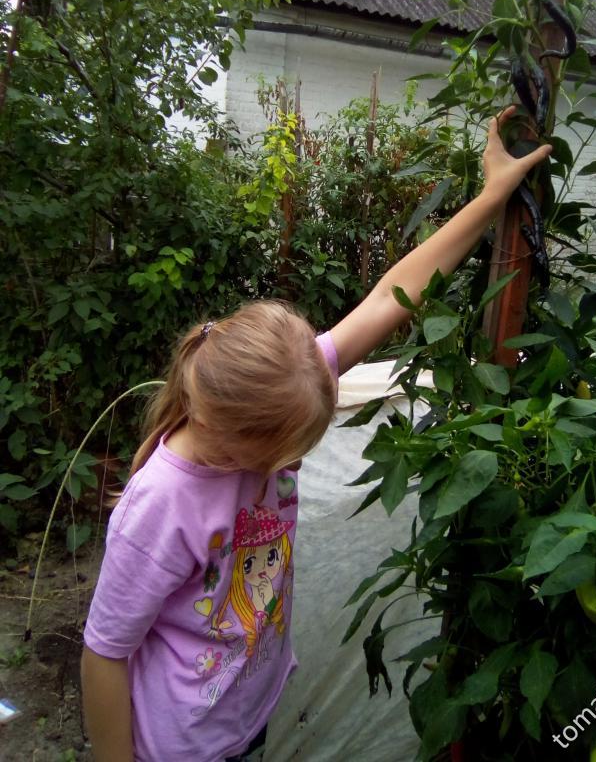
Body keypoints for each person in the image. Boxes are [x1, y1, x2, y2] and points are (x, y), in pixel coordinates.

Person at [80, 107, 552, 762]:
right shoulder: (159, 504)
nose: (288, 465)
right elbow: (105, 652)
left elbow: (394, 295)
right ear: (224, 428)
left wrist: (491, 195)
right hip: (182, 747)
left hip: (247, 713)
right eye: (277, 457)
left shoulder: (285, 382)